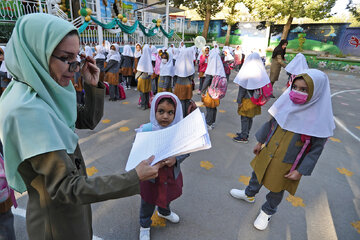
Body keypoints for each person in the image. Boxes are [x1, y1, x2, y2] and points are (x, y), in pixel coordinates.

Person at [0, 13, 162, 240]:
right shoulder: (27, 110)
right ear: (36, 53)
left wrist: (92, 86)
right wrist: (133, 177)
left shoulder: (42, 89)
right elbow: (67, 187)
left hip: (71, 207)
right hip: (57, 222)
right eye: (67, 58)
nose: (75, 67)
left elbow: (86, 120)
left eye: (78, 57)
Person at [230, 69, 335, 231]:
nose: (296, 92)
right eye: (295, 87)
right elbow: (272, 123)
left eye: (304, 90)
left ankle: (267, 211)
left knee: (277, 187)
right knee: (257, 173)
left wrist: (300, 171)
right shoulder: (288, 104)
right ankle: (249, 194)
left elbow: (315, 150)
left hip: (288, 161)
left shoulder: (319, 119)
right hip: (269, 149)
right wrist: (260, 141)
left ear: (316, 92)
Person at [137, 92, 190, 240]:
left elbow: (187, 150)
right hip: (151, 176)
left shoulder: (178, 132)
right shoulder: (147, 130)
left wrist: (176, 158)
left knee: (167, 196)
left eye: (170, 112)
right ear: (154, 111)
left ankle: (164, 212)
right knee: (148, 201)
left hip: (170, 175)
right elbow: (138, 151)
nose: (165, 116)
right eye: (161, 111)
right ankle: (145, 225)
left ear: (176, 113)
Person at [233, 52, 270, 143]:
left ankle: (244, 136)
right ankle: (246, 133)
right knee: (250, 118)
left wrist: (239, 101)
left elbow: (242, 88)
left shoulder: (247, 71)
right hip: (255, 99)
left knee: (244, 118)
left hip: (246, 99)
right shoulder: (260, 71)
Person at [201, 51, 226, 130]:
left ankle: (208, 123)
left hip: (210, 91)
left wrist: (202, 91)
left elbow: (207, 80)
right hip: (218, 92)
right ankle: (212, 122)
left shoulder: (211, 68)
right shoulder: (220, 67)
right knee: (214, 107)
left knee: (209, 107)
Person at [174, 47, 195, 117]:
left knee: (181, 102)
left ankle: (181, 116)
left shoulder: (178, 62)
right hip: (187, 85)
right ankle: (186, 115)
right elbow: (192, 77)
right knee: (187, 101)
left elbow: (175, 75)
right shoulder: (190, 63)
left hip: (179, 85)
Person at [136, 44, 153, 110]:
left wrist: (136, 77)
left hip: (142, 78)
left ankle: (143, 105)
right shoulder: (149, 57)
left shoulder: (142, 58)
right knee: (146, 92)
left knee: (142, 92)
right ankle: (146, 104)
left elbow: (140, 70)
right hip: (148, 78)